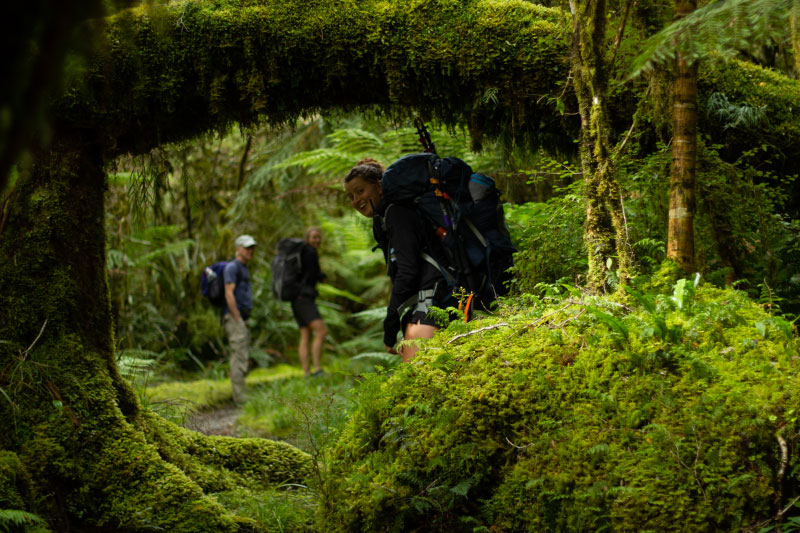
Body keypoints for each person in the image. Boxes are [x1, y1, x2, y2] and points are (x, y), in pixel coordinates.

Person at [344, 159, 457, 362]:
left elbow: (408, 272)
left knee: (417, 373)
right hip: (428, 295)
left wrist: (390, 325)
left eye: (360, 191)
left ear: (379, 186)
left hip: (438, 294)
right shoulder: (385, 218)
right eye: (351, 196)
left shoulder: (397, 213)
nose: (355, 200)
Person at [223, 234, 256, 405]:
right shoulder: (232, 267)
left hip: (242, 318)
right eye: (247, 248)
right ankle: (240, 398)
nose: (250, 251)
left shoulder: (243, 268)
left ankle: (241, 394)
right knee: (238, 357)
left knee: (242, 355)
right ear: (238, 249)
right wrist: (236, 318)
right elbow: (229, 292)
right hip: (234, 318)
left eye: (252, 248)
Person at [292, 226, 327, 377]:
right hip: (304, 298)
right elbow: (312, 274)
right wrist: (321, 276)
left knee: (305, 335)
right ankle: (317, 369)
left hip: (296, 299)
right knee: (321, 331)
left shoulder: (301, 252)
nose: (317, 240)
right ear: (307, 239)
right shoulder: (310, 252)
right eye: (314, 237)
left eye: (318, 237)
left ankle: (307, 373)